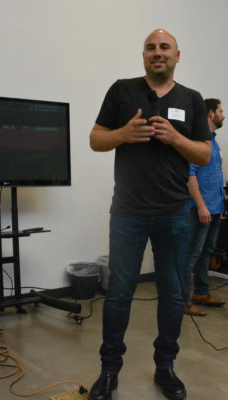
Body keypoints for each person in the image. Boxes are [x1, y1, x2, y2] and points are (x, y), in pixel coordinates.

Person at [87, 29, 211, 400]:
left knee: (173, 295)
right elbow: (95, 140)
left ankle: (166, 367)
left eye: (164, 48)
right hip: (128, 213)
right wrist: (123, 133)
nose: (157, 53)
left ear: (177, 55)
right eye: (151, 48)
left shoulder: (192, 99)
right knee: (119, 295)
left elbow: (203, 155)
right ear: (144, 55)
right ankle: (109, 372)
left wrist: (175, 138)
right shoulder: (121, 91)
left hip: (174, 214)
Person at [184, 98, 227, 317]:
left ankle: (201, 293)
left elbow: (216, 176)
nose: (224, 115)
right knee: (192, 254)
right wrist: (201, 205)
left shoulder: (214, 141)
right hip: (200, 209)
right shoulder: (197, 140)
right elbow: (189, 176)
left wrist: (221, 205)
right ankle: (181, 301)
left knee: (205, 253)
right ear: (211, 113)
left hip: (215, 208)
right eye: (221, 111)